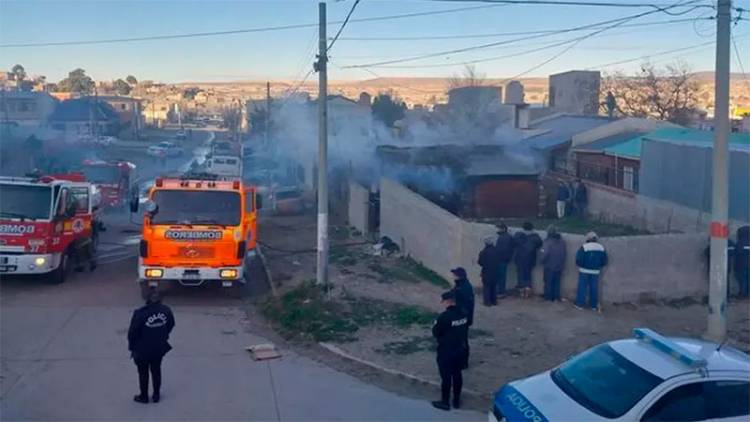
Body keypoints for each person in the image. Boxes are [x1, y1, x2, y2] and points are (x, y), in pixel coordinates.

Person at [128, 289, 175, 404]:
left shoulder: (140, 313)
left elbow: (132, 333)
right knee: (156, 370)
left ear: (147, 299)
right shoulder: (166, 310)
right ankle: (156, 395)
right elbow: (171, 324)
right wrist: (162, 335)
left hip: (142, 350)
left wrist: (132, 347)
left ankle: (144, 397)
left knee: (143, 373)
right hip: (159, 348)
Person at [431, 290, 469, 411]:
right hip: (461, 349)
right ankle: (456, 401)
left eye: (444, 301)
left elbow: (436, 332)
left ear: (448, 302)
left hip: (447, 350)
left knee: (446, 377)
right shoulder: (464, 313)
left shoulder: (445, 316)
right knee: (457, 375)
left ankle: (445, 402)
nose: (443, 304)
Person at [574, 232, 608, 311]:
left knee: (582, 288)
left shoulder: (584, 247)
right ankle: (593, 305)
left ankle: (580, 304)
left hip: (584, 271)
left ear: (588, 238)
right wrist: (599, 266)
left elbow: (579, 259)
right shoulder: (601, 247)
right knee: (594, 288)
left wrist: (580, 265)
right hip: (595, 271)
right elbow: (605, 261)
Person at [513, 222, 543, 299]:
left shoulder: (518, 236)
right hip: (530, 259)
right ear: (532, 228)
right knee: (528, 275)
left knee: (520, 275)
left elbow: (513, 242)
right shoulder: (535, 237)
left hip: (519, 259)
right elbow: (539, 244)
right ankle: (527, 290)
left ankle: (521, 292)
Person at [540, 225, 567, 302]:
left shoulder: (547, 242)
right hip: (559, 265)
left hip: (549, 265)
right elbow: (564, 254)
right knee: (557, 282)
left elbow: (544, 254)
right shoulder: (562, 242)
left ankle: (548, 297)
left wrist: (541, 260)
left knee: (548, 282)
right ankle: (556, 297)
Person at [478, 238, 500, 306]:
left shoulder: (483, 252)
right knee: (494, 286)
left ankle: (487, 302)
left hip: (486, 271)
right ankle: (494, 301)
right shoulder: (497, 251)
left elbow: (480, 262)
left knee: (487, 287)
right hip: (495, 271)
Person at [494, 224, 515, 298]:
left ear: (503, 229)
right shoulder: (508, 237)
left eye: (499, 228)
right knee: (502, 276)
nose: (497, 230)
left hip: (500, 259)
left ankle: (500, 292)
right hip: (504, 259)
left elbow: (499, 249)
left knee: (500, 276)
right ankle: (501, 291)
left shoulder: (502, 237)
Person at [734, 225, 750, 299]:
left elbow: (737, 253)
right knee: (748, 280)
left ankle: (742, 294)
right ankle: (747, 294)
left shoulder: (740, 242)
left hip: (741, 265)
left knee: (742, 280)